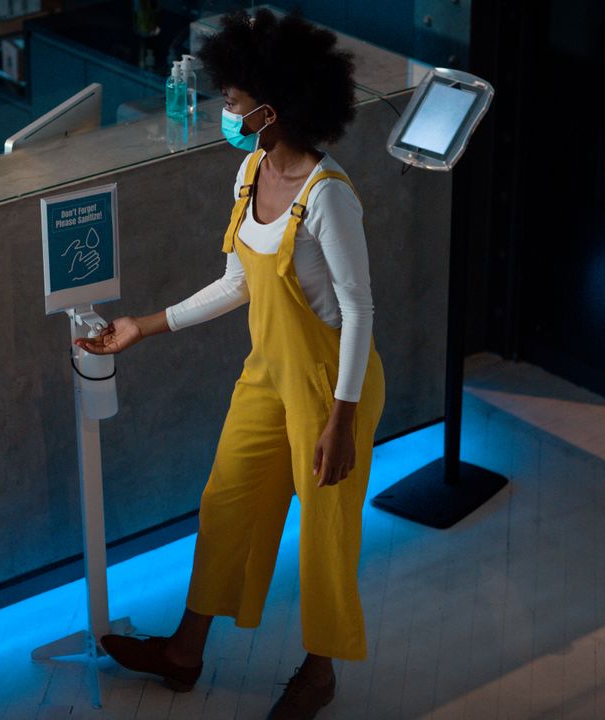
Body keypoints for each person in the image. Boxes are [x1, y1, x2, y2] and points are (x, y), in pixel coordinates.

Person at [74, 9, 385, 719]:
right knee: (226, 506)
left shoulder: (327, 196)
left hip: (330, 387)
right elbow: (238, 282)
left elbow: (361, 310)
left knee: (324, 532)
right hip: (267, 376)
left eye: (235, 104)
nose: (226, 113)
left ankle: (322, 668)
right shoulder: (251, 172)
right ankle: (185, 652)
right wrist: (141, 327)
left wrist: (340, 420)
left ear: (271, 111)